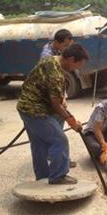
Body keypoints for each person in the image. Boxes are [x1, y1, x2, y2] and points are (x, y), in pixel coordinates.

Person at [17, 43, 88, 184]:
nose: (77, 69)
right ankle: (58, 176)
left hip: (25, 107)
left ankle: (42, 177)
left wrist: (67, 113)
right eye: (77, 65)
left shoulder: (50, 60)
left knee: (38, 144)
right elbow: (56, 105)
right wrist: (71, 121)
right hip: (35, 111)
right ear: (71, 59)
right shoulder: (55, 73)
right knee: (59, 140)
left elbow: (56, 100)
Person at [40, 28, 77, 168]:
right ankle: (59, 163)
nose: (67, 49)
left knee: (58, 127)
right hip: (46, 99)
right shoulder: (47, 58)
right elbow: (51, 83)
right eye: (66, 46)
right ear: (56, 42)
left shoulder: (58, 52)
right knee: (57, 134)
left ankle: (57, 156)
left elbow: (60, 80)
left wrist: (64, 98)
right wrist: (61, 105)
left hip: (55, 94)